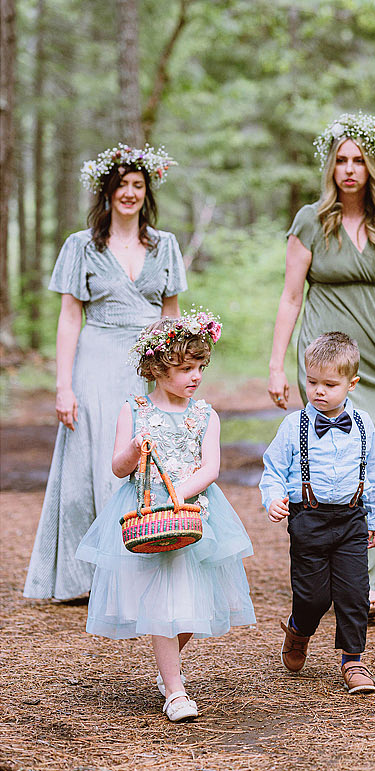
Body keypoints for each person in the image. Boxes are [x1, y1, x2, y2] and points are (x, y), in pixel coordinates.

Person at [267, 113, 375, 619]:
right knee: (335, 455)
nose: (348, 168)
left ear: (373, 166)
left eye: (358, 159)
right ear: (329, 167)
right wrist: (276, 364)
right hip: (324, 352)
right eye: (340, 160)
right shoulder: (310, 221)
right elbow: (291, 297)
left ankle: (362, 573)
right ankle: (347, 577)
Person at [76, 312, 255, 722]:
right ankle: (175, 690)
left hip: (193, 513)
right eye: (184, 369)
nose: (195, 377)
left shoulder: (206, 415)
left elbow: (210, 468)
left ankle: (166, 669)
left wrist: (176, 497)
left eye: (199, 368)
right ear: (157, 369)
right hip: (144, 514)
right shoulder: (133, 410)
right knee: (163, 597)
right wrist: (136, 449)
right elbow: (119, 468)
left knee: (193, 601)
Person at [24, 145, 185, 603]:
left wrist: (176, 372)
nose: (129, 193)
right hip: (95, 359)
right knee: (93, 462)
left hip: (147, 360)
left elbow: (170, 314)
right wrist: (63, 384)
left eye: (138, 185)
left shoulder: (165, 244)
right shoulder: (81, 245)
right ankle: (86, 576)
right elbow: (70, 317)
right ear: (108, 193)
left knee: (147, 454)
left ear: (146, 191)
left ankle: (144, 564)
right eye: (121, 186)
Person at [261, 332, 375, 695]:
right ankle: (299, 629)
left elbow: (374, 472)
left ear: (352, 383)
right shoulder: (293, 425)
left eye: (330, 384)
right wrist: (273, 498)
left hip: (351, 519)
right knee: (313, 596)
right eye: (312, 381)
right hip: (308, 519)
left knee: (355, 592)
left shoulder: (363, 424)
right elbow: (273, 469)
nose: (319, 391)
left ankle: (353, 660)